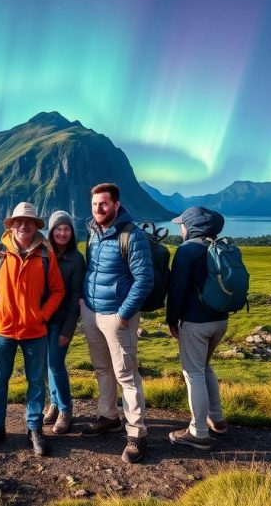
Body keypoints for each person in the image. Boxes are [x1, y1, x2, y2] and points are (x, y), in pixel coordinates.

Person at [0, 202, 65, 456]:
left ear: (35, 226)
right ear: (11, 225)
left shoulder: (47, 256)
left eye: (29, 222)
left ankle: (34, 428)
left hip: (35, 331)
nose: (24, 225)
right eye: (19, 221)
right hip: (2, 330)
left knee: (36, 382)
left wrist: (42, 314)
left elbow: (58, 290)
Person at [80, 183, 153, 464]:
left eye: (104, 204)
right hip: (92, 312)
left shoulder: (132, 236)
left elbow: (144, 279)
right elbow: (93, 269)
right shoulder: (93, 233)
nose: (99, 209)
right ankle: (109, 415)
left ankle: (137, 434)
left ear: (117, 205)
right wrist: (84, 302)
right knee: (102, 368)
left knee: (127, 375)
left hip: (117, 316)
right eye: (95, 204)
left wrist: (124, 313)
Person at [165, 206, 229, 450]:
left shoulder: (187, 249)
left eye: (183, 223)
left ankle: (199, 433)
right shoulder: (221, 245)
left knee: (193, 374)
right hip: (221, 320)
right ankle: (218, 420)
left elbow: (177, 289)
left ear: (191, 226)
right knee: (204, 367)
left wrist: (172, 320)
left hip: (196, 322)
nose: (181, 228)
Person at [42, 210, 84, 434]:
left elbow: (76, 295)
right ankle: (54, 405)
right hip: (42, 320)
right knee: (47, 365)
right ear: (50, 231)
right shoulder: (44, 255)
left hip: (61, 321)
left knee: (56, 364)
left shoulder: (76, 259)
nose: (62, 232)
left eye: (66, 228)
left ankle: (66, 411)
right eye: (58, 228)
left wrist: (68, 328)